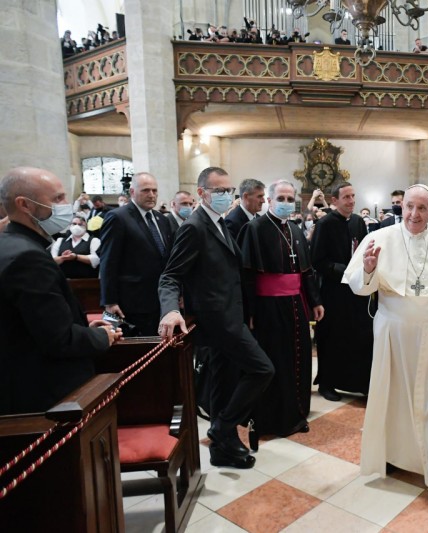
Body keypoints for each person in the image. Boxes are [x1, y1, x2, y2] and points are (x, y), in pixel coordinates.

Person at [342, 184, 428, 517]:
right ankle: (399, 457)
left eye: (422, 208)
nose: (414, 214)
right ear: (402, 208)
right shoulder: (381, 238)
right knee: (395, 397)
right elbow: (359, 287)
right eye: (409, 207)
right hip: (394, 334)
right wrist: (370, 267)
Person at [158, 166, 274, 469]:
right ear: (202, 193)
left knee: (224, 383)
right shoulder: (194, 226)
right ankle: (222, 428)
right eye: (219, 191)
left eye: (228, 190)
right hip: (217, 321)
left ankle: (223, 448)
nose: (225, 196)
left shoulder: (219, 223)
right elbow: (170, 276)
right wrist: (171, 309)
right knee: (262, 369)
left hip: (231, 316)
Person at [0, 167, 120, 416]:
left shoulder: (12, 245)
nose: (67, 206)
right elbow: (59, 340)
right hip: (47, 397)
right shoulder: (28, 257)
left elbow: (35, 324)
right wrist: (103, 337)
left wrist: (85, 330)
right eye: (57, 199)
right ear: (25, 205)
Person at [240, 179, 323, 437]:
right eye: (281, 199)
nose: (286, 203)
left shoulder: (297, 230)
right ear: (269, 200)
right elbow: (247, 276)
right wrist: (250, 312)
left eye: (290, 199)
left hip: (296, 304)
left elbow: (306, 272)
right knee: (277, 360)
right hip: (268, 307)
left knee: (299, 357)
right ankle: (274, 419)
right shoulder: (254, 229)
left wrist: (315, 301)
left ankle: (297, 414)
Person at [310, 182, 372, 400]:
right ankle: (327, 383)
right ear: (334, 201)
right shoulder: (325, 224)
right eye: (346, 197)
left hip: (356, 291)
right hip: (333, 291)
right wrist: (345, 270)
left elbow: (363, 250)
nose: (352, 201)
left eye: (353, 196)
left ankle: (358, 382)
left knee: (359, 336)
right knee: (332, 338)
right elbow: (317, 260)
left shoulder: (357, 222)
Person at [98, 172, 174, 336]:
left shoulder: (162, 219)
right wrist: (109, 301)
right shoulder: (118, 217)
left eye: (154, 190)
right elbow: (108, 261)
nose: (151, 195)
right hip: (133, 301)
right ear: (132, 192)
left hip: (161, 299)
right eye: (146, 190)